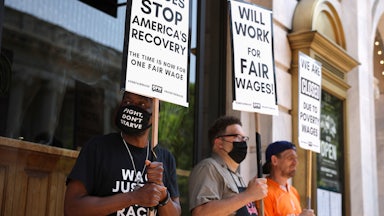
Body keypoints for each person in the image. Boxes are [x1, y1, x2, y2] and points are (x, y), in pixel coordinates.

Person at [64, 91, 181, 216]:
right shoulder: (97, 148)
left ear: (156, 114)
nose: (133, 107)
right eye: (127, 102)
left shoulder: (164, 158)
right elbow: (72, 208)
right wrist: (133, 197)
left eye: (142, 104)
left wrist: (163, 195)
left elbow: (175, 212)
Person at [188, 115, 268, 216]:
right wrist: (248, 195)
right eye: (237, 137)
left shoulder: (237, 176)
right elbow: (201, 213)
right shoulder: (208, 167)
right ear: (219, 143)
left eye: (244, 138)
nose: (242, 141)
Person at [261, 140, 315, 216]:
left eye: (296, 158)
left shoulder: (293, 191)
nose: (295, 162)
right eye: (290, 158)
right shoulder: (263, 191)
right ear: (274, 160)